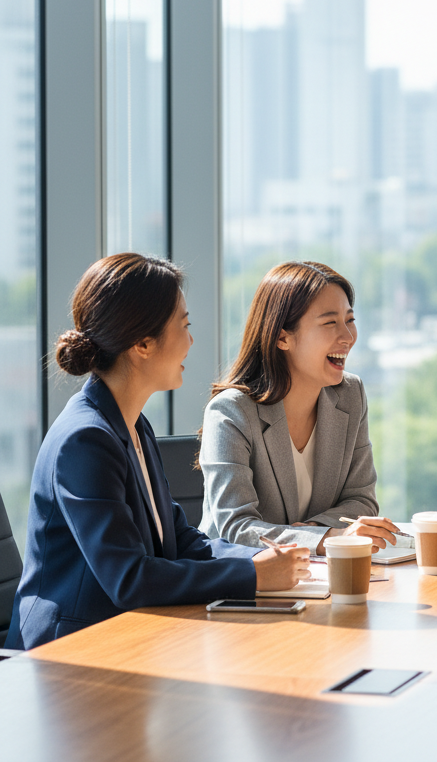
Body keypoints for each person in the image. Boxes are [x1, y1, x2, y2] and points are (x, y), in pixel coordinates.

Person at [5, 253, 309, 651]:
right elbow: (129, 579)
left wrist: (256, 561)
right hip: (69, 655)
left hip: (128, 639)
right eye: (184, 325)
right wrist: (252, 578)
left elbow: (180, 540)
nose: (191, 341)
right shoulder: (85, 440)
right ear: (143, 344)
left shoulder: (132, 423)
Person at [200, 261, 399, 554]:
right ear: (282, 337)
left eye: (350, 319)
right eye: (330, 323)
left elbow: (361, 500)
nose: (347, 336)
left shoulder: (350, 395)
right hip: (243, 586)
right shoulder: (231, 412)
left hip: (319, 578)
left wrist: (316, 533)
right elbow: (236, 528)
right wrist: (331, 538)